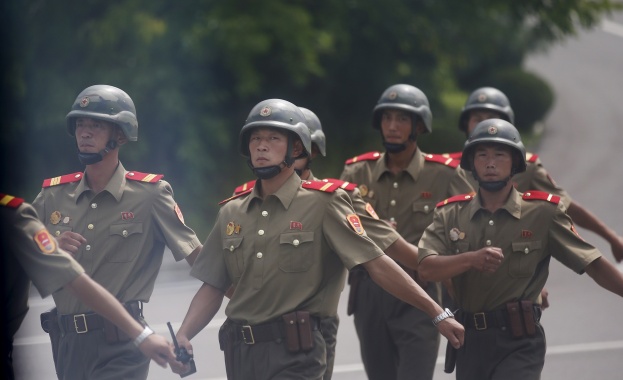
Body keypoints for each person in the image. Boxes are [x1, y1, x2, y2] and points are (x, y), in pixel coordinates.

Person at [168, 98, 464, 379]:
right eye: (255, 138)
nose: (261, 146)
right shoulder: (231, 211)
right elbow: (213, 286)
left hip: (297, 353)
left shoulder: (325, 202)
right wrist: (184, 333)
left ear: (296, 148)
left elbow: (377, 263)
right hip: (240, 354)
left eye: (273, 139)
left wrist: (436, 312)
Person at [417, 118, 623, 380]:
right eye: (482, 155)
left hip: (519, 342)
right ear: (471, 163)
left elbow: (592, 263)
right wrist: (470, 259)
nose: (490, 163)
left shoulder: (543, 213)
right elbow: (425, 267)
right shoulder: (449, 213)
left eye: (500, 155)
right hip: (470, 342)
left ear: (515, 163)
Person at [231, 106, 424, 380]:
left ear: (312, 151)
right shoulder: (245, 201)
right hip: (258, 335)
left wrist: (437, 275)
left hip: (312, 326)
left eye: (299, 145)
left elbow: (385, 248)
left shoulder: (335, 199)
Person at [32, 85, 202, 380]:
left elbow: (202, 262)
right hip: (67, 342)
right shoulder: (52, 197)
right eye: (80, 125)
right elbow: (19, 255)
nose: (85, 132)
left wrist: (248, 304)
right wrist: (50, 249)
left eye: (96, 125)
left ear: (120, 135)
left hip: (123, 344)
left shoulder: (150, 195)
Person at [339, 84, 474, 380]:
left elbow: (473, 229)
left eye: (401, 119)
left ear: (418, 125)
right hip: (369, 292)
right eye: (386, 118)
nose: (392, 126)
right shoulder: (356, 173)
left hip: (421, 290)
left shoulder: (445, 174)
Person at [1, 194, 177, 380]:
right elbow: (73, 280)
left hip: (118, 345)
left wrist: (140, 335)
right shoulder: (25, 208)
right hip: (70, 344)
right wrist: (142, 336)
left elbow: (73, 279)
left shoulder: (10, 216)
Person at [448, 86, 623, 263]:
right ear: (465, 125)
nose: (485, 125)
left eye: (492, 119)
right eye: (477, 120)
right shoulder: (445, 169)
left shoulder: (526, 166)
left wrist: (611, 238)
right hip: (456, 266)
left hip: (510, 267)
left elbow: (566, 206)